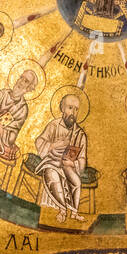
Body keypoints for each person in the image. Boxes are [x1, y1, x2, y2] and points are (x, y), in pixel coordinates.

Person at [34, 93, 88, 222]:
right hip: (51, 161)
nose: (73, 112)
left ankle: (74, 212)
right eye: (70, 108)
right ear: (62, 108)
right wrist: (53, 145)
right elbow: (39, 141)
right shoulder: (54, 125)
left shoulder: (80, 134)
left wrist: (73, 164)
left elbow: (82, 158)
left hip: (68, 165)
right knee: (52, 175)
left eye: (76, 109)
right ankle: (62, 209)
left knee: (76, 181)